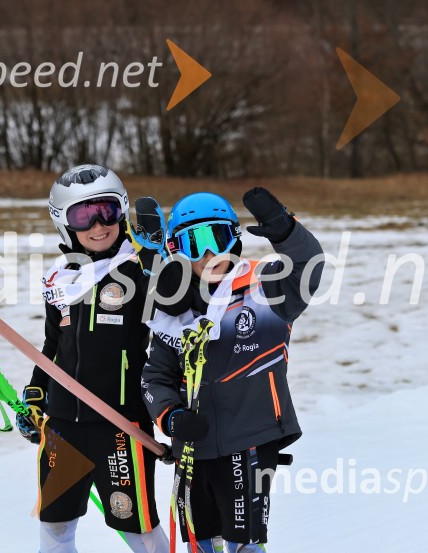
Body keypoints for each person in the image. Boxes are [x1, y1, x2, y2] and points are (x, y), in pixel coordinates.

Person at [142, 188, 323, 552]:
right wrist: (170, 417)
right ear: (177, 251)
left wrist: (285, 230)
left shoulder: (267, 287)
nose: (209, 253)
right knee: (201, 541)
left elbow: (309, 266)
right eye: (194, 242)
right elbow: (155, 378)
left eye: (217, 237)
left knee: (245, 544)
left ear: (233, 240)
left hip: (251, 440)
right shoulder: (172, 312)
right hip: (193, 448)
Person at [17, 164, 170, 553]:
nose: (99, 225)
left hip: (120, 425)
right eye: (84, 215)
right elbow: (53, 345)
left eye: (108, 211)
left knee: (138, 525)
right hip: (64, 425)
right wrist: (36, 392)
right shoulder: (60, 280)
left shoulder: (137, 274)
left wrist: (157, 264)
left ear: (122, 211)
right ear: (63, 223)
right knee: (55, 523)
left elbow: (176, 316)